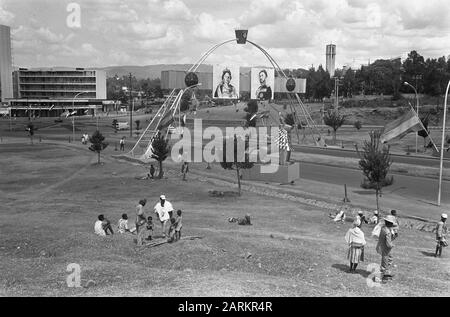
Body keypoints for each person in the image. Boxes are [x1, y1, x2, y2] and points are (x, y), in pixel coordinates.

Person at [376, 215, 398, 282]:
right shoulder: (387, 232)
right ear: (390, 224)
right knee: (385, 262)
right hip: (386, 249)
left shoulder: (383, 228)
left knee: (389, 259)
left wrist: (394, 236)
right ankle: (381, 277)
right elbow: (388, 244)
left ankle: (386, 273)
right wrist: (392, 245)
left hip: (382, 247)